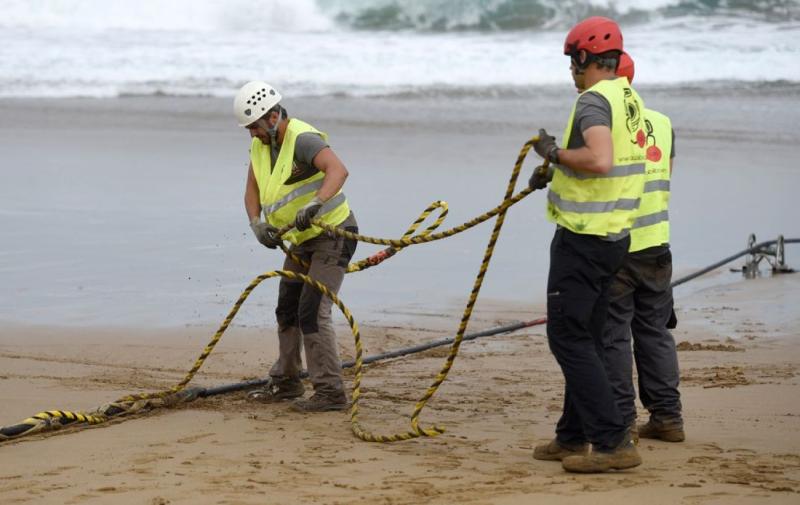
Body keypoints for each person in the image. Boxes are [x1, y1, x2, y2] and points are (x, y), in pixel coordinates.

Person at [528, 17, 647, 473]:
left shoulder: (594, 102)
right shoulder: (627, 97)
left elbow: (599, 158)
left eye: (571, 61)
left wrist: (554, 154)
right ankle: (572, 436)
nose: (570, 72)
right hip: (615, 235)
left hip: (585, 238)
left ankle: (613, 443)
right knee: (589, 337)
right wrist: (557, 168)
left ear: (583, 58)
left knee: (568, 338)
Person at [234, 81, 358, 412]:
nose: (252, 135)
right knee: (287, 307)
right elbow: (252, 191)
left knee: (312, 310)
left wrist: (316, 203)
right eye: (249, 129)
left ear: (273, 118)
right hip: (300, 242)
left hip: (333, 235)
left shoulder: (302, 139)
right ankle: (287, 382)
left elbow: (338, 170)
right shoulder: (261, 148)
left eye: (255, 127)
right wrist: (256, 224)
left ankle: (331, 392)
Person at [602, 53, 684, 442]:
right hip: (656, 245)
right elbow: (665, 173)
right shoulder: (664, 124)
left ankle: (622, 422)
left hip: (617, 246)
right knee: (654, 333)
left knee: (614, 336)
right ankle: (668, 418)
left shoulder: (604, 126)